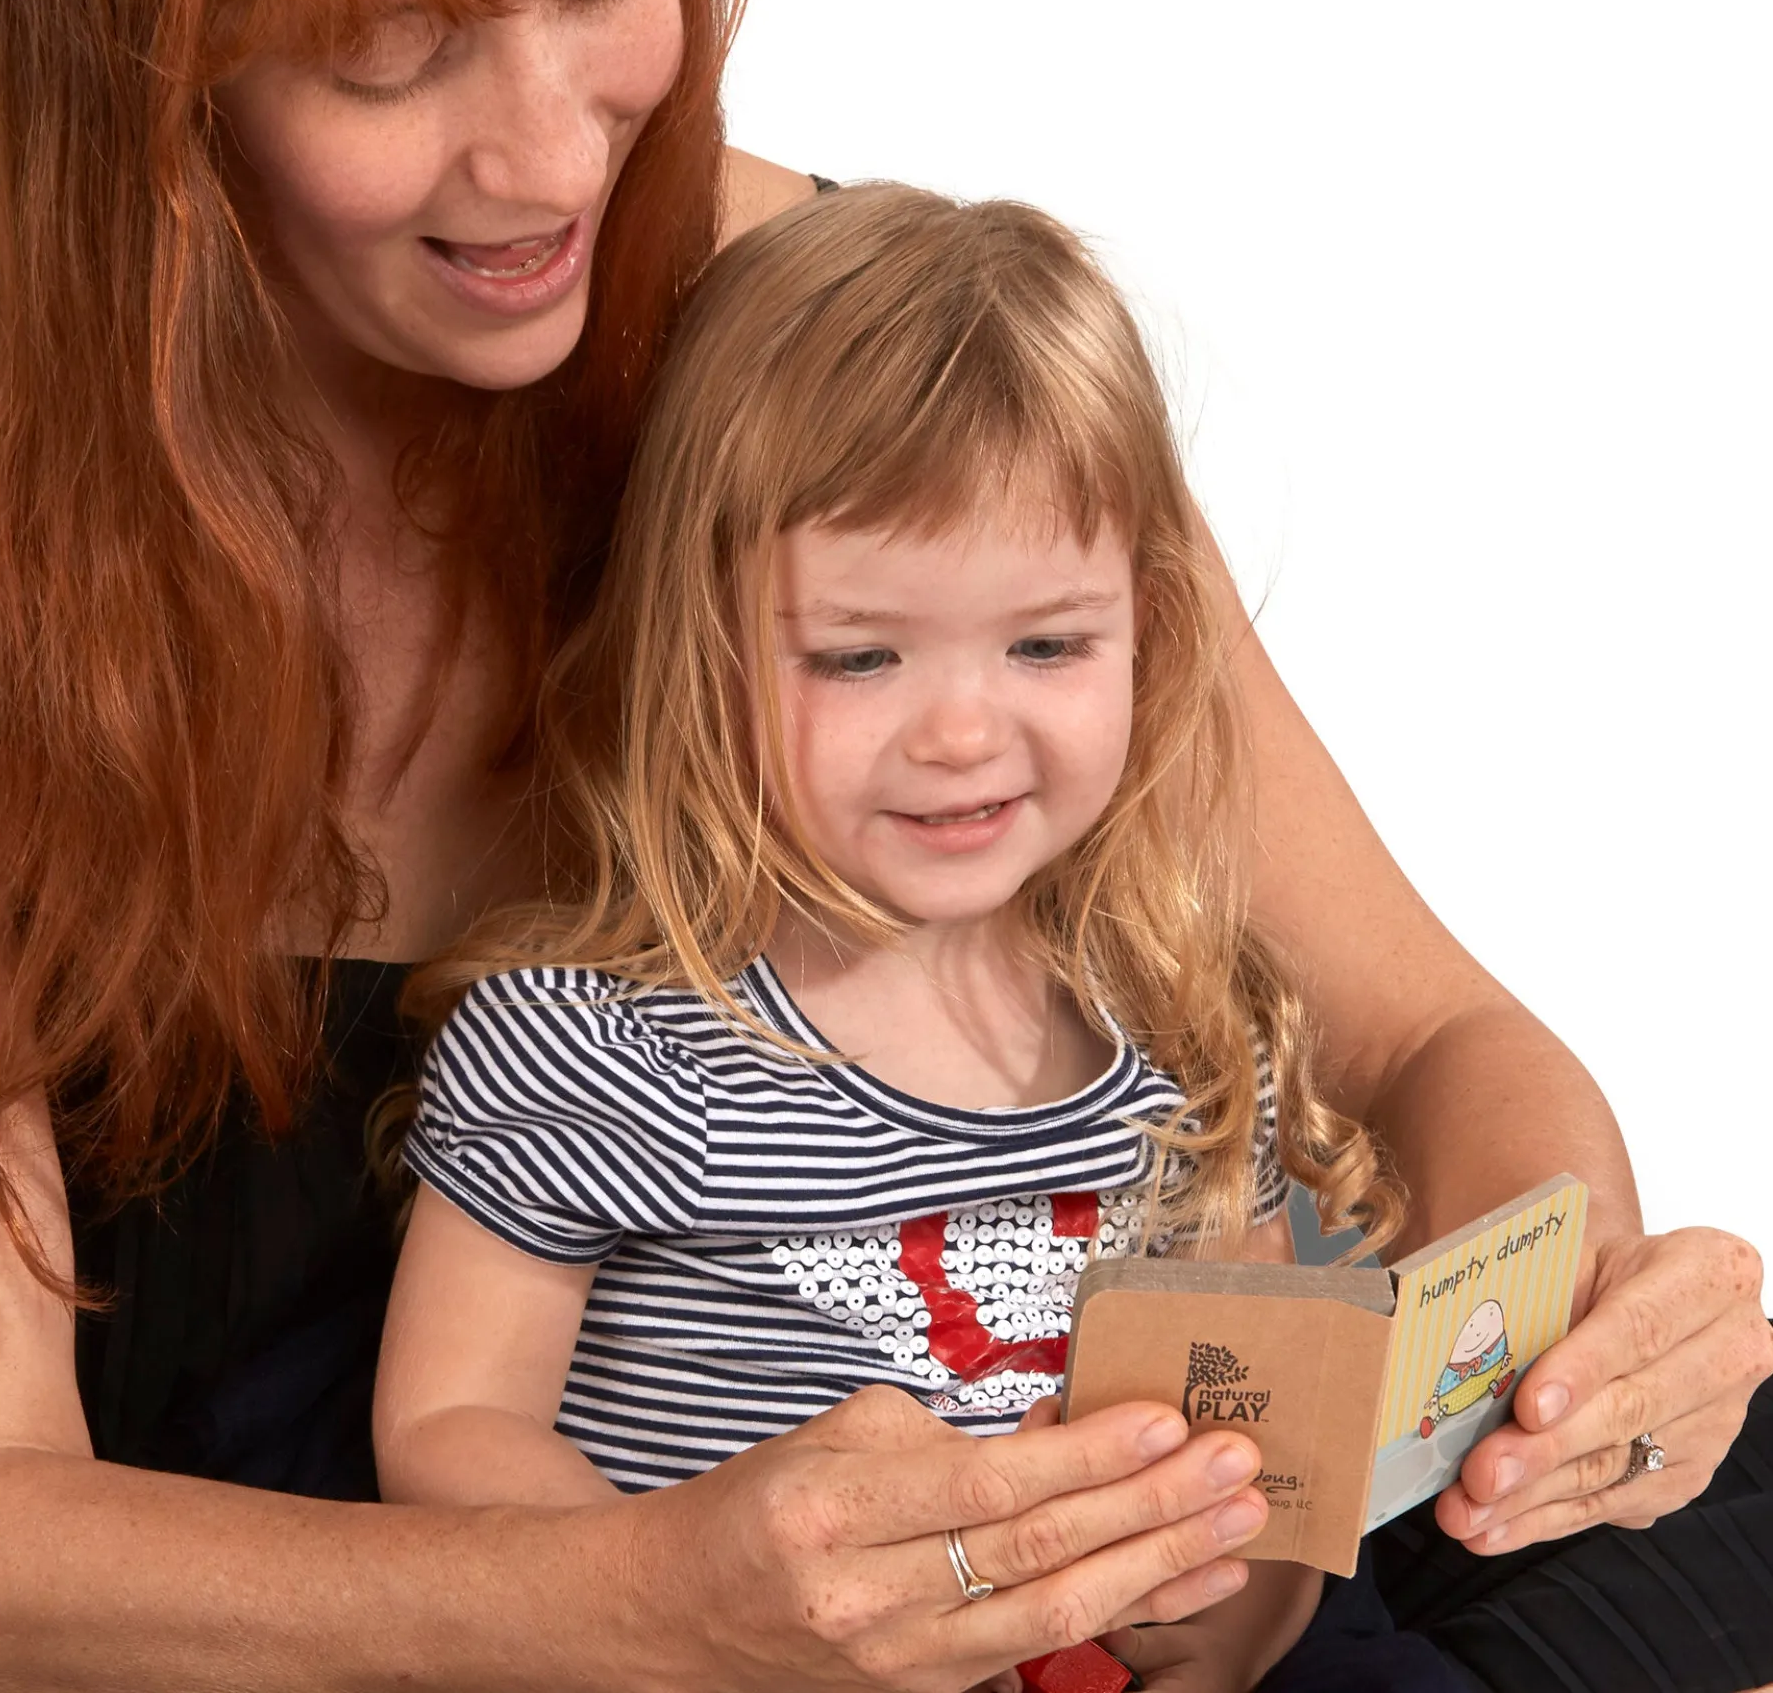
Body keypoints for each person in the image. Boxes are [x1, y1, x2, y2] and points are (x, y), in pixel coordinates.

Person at [0, 0, 1765, 1687]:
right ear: (127, 55)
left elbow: (1423, 1033)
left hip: (1003, 1540)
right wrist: (655, 1607)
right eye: (386, 53)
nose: (555, 150)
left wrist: (1570, 1321)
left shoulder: (835, 342)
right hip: (307, 1612)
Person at [375, 181, 1407, 1692]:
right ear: (701, 649)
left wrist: (1247, 1611)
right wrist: (675, 1609)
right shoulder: (592, 1043)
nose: (964, 731)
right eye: (861, 656)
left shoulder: (1187, 1028)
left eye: (1048, 644)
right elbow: (446, 1431)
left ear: (1152, 634)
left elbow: (1256, 1434)